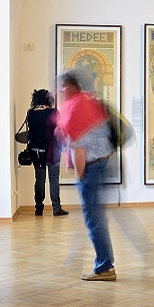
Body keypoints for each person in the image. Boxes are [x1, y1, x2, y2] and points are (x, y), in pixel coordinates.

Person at [56, 70, 117, 281]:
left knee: (93, 218)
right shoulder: (88, 101)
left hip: (91, 168)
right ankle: (105, 263)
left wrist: (79, 177)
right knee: (98, 217)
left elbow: (79, 149)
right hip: (104, 162)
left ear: (71, 87)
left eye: (63, 87)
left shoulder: (74, 109)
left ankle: (105, 267)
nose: (60, 91)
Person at [26, 89, 67, 217]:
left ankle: (38, 208)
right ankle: (56, 208)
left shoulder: (31, 113)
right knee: (53, 179)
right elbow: (59, 131)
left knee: (39, 179)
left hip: (36, 152)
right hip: (52, 151)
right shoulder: (53, 112)